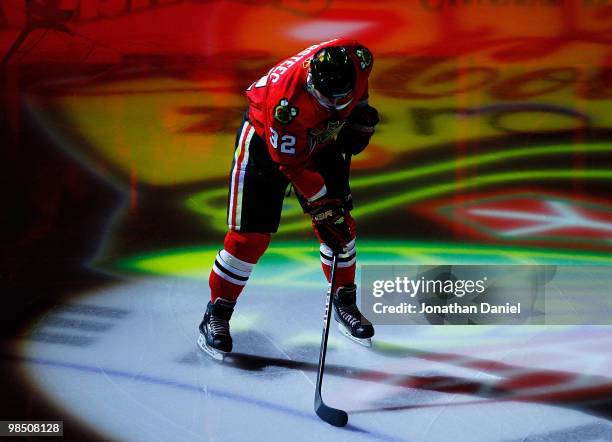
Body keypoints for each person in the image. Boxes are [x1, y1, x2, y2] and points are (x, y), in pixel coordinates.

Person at [197, 38, 380, 360]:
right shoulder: (286, 105)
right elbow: (292, 165)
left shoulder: (359, 58)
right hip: (268, 143)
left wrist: (360, 116)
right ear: (311, 83)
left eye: (343, 97)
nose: (336, 103)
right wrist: (323, 206)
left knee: (342, 231)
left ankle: (345, 302)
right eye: (328, 97)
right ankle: (216, 314)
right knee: (248, 239)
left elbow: (359, 94)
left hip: (318, 136)